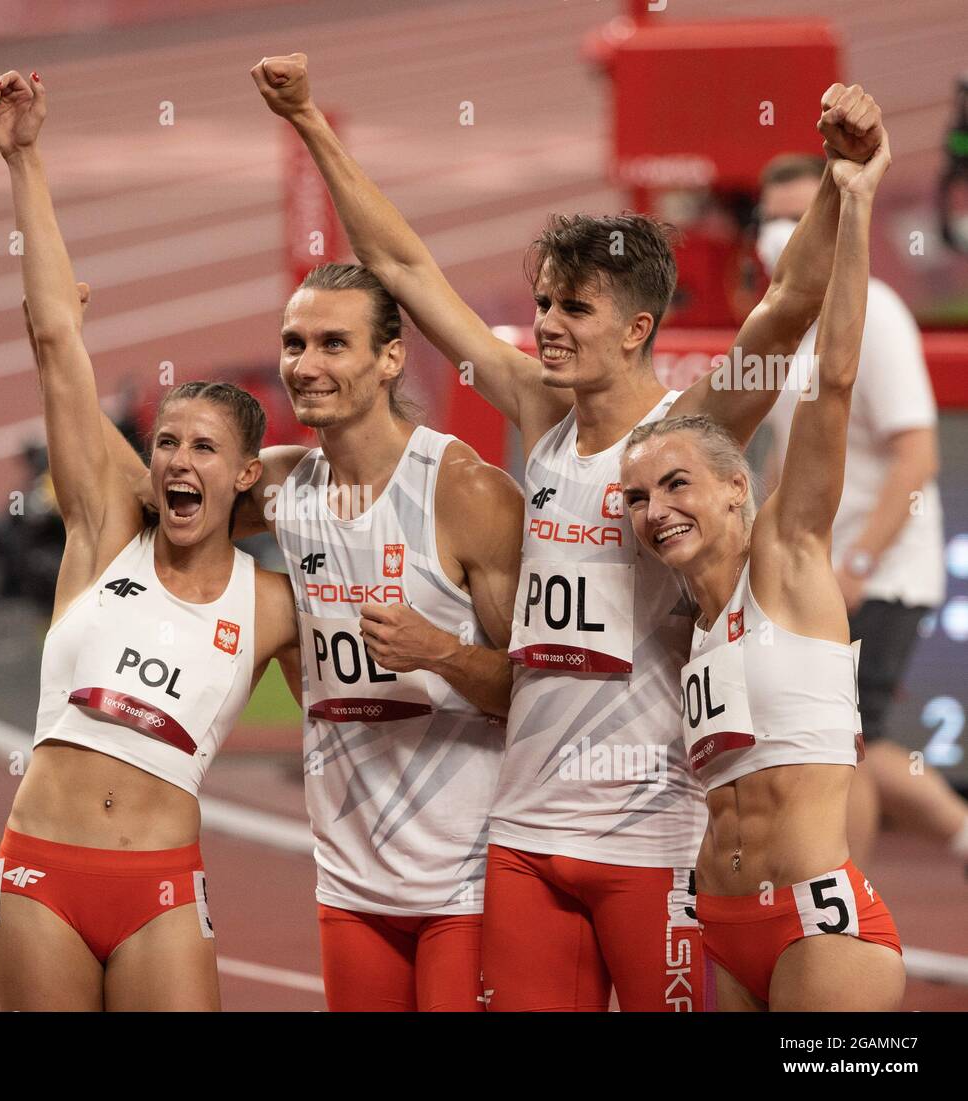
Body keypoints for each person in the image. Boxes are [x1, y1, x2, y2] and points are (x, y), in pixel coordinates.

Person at [254, 50, 884, 1010]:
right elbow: (403, 268)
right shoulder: (538, 415)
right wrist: (308, 122)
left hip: (650, 833)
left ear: (635, 329)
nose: (545, 323)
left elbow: (787, 308)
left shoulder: (689, 431)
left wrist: (840, 181)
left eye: (572, 308)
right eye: (543, 300)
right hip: (523, 838)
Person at [0, 69, 298, 1011]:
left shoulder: (273, 602)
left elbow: (357, 711)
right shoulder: (101, 533)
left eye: (205, 448)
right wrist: (25, 158)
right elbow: (54, 343)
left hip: (160, 888)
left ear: (248, 471)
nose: (176, 462)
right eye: (164, 443)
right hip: (41, 871)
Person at [619, 126, 905, 1010]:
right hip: (725, 924)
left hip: (820, 929)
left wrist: (854, 199)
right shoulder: (688, 623)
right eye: (637, 498)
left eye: (678, 485)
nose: (657, 508)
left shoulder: (786, 555)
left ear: (738, 490)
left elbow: (838, 375)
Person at [756, 155, 964, 870]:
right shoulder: (784, 325)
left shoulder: (878, 315)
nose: (783, 231)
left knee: (849, 739)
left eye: (799, 215)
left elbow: (917, 457)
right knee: (833, 736)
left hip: (876, 573)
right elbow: (787, 458)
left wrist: (858, 564)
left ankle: (845, 910)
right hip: (818, 572)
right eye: (772, 218)